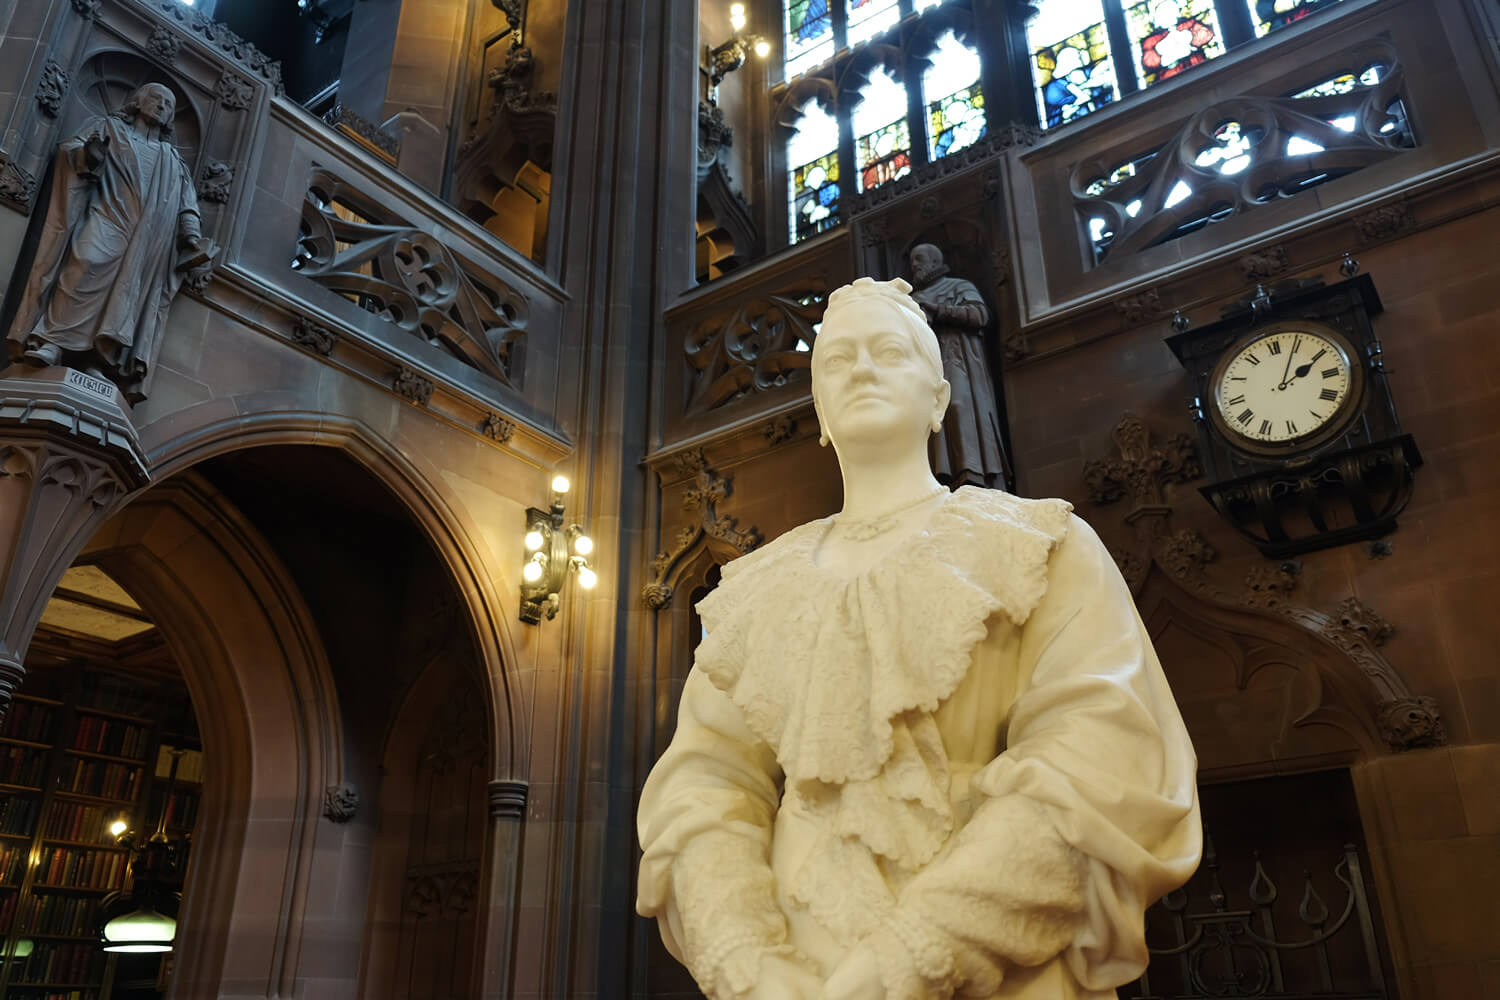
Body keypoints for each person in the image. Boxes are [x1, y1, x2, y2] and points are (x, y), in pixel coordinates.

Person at [637, 277, 1201, 1000]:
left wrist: (909, 958)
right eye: (838, 360)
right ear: (818, 410)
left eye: (889, 351)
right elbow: (707, 782)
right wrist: (746, 960)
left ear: (939, 400)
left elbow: (1098, 761)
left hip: (994, 968)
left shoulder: (1041, 545)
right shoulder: (750, 590)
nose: (862, 369)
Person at [7, 82, 215, 402]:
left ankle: (96, 360)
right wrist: (88, 154)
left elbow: (187, 205)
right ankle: (52, 342)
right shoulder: (109, 128)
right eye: (156, 99)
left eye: (169, 105)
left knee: (124, 296)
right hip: (106, 216)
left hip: (146, 239)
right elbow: (70, 150)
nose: (162, 107)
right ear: (139, 102)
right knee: (84, 263)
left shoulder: (172, 160)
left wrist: (190, 238)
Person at [909, 243, 1009, 491]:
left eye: (919, 259)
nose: (914, 265)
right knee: (930, 419)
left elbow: (980, 315)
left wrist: (938, 310)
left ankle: (972, 472)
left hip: (959, 360)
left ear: (935, 261)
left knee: (958, 406)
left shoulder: (957, 286)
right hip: (925, 370)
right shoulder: (909, 299)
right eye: (912, 261)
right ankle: (938, 479)